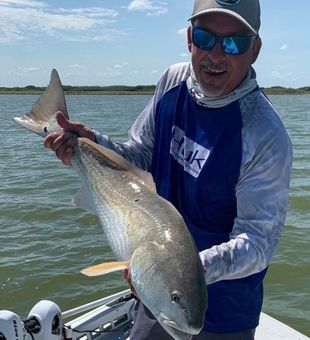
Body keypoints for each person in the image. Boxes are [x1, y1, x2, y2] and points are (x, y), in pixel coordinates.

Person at [44, 0, 292, 339]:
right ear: (190, 38)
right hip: (158, 288)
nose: (216, 56)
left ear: (255, 50)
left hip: (222, 312)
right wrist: (90, 142)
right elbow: (140, 155)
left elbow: (258, 242)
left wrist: (183, 270)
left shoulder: (263, 134)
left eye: (234, 43)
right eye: (205, 38)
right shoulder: (173, 80)